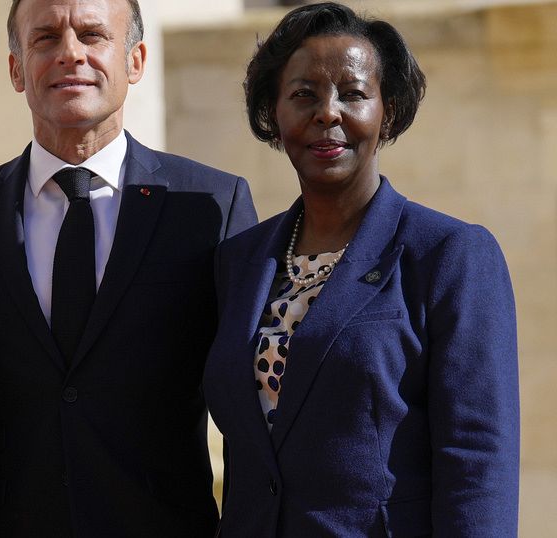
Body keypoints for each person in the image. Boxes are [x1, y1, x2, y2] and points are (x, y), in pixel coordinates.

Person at [0, 0, 257, 535]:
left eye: (92, 35)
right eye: (45, 38)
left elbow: (249, 410)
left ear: (135, 60)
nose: (70, 54)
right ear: (16, 70)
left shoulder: (210, 206)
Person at [203, 3, 519, 536]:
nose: (327, 113)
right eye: (303, 94)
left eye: (352, 94)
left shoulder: (449, 255)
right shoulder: (239, 261)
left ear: (387, 113)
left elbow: (477, 460)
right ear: (273, 116)